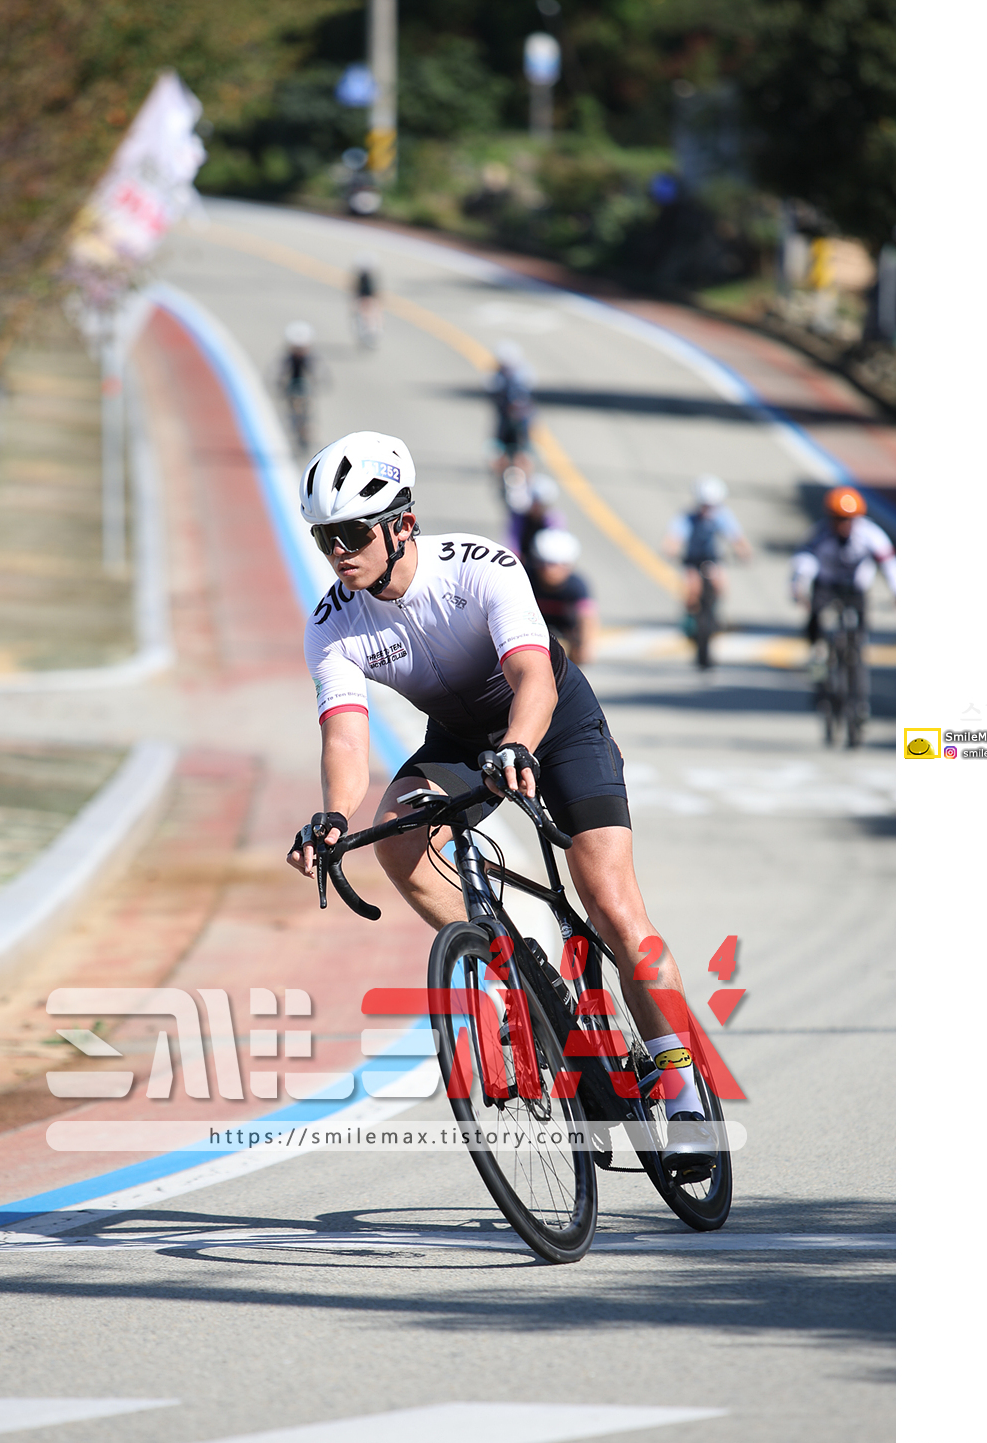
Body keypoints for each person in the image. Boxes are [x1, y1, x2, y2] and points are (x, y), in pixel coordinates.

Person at [287, 430, 714, 1167]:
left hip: (555, 723)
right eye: (326, 537)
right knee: (396, 835)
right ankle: (511, 971)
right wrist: (332, 817)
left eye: (352, 534)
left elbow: (533, 678)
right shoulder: (333, 624)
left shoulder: (481, 567)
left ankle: (683, 1096)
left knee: (613, 908)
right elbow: (347, 741)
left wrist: (518, 745)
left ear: (402, 524)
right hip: (461, 739)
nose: (338, 552)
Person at [790, 487, 896, 720]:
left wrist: (896, 591)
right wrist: (799, 588)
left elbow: (888, 563)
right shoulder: (819, 534)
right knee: (815, 624)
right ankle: (818, 667)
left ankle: (859, 698)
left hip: (856, 590)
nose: (844, 524)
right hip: (826, 586)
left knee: (858, 640)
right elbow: (803, 561)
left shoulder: (870, 534)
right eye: (838, 518)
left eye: (849, 519)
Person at [661, 475, 753, 623]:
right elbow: (674, 537)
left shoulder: (722, 515)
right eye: (705, 505)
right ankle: (690, 618)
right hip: (692, 560)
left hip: (712, 559)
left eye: (711, 506)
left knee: (720, 584)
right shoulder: (688, 517)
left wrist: (744, 552)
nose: (707, 509)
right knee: (692, 589)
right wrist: (671, 549)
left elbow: (737, 537)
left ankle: (714, 614)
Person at [529, 528, 599, 665]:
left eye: (559, 565)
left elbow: (588, 618)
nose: (551, 571)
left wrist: (585, 647)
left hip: (565, 626)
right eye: (545, 564)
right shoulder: (525, 578)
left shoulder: (577, 585)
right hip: (532, 623)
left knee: (579, 650)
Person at [487, 341, 534, 479]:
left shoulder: (521, 376)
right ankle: (502, 476)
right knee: (500, 451)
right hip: (507, 420)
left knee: (522, 452)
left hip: (519, 422)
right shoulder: (499, 377)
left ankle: (524, 477)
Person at [278, 322, 319, 453]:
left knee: (309, 411)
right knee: (294, 410)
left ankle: (308, 433)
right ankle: (297, 427)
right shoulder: (288, 358)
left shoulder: (310, 358)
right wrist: (280, 384)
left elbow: (319, 372)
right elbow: (280, 372)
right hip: (292, 388)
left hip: (305, 389)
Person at [350, 260, 381, 348]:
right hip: (364, 300)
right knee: (366, 318)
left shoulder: (366, 278)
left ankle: (370, 334)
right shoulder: (364, 279)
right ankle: (368, 334)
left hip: (366, 300)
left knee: (369, 318)